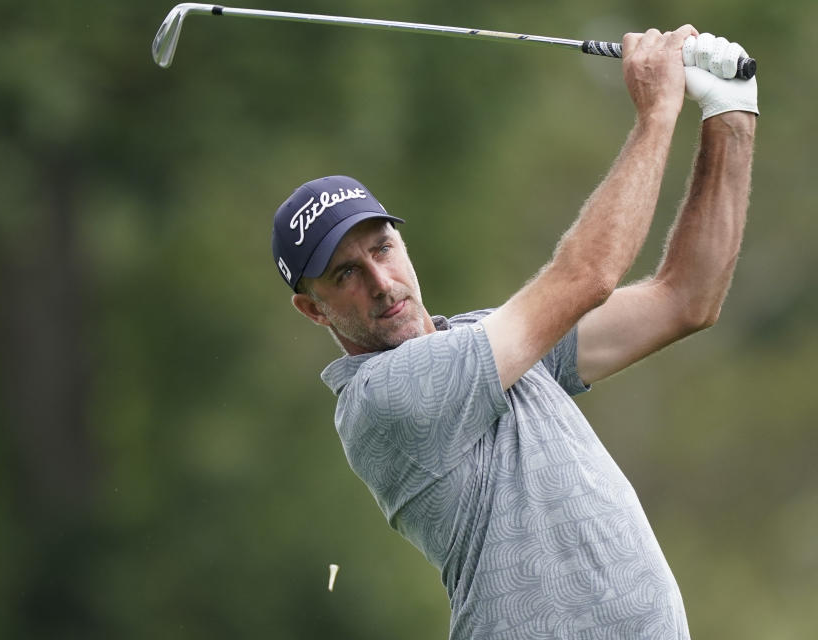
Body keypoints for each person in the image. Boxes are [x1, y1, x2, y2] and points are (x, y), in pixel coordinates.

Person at [271, 26, 757, 640]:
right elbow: (588, 275)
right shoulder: (382, 399)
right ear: (314, 311)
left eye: (382, 248)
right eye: (346, 273)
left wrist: (729, 110)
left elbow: (686, 297)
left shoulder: (488, 341)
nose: (381, 280)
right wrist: (657, 114)